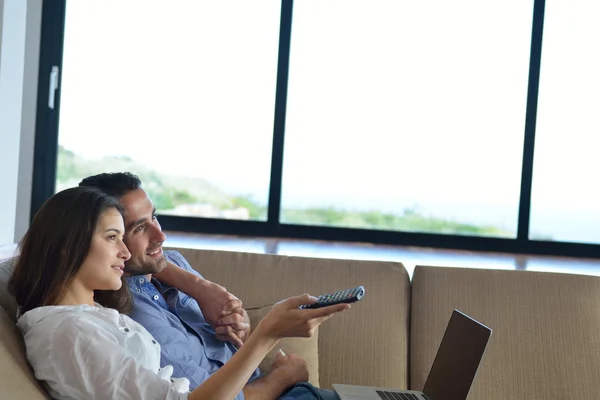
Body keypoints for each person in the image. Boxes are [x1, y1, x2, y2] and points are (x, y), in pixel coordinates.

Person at [9, 186, 349, 400]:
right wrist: (269, 334)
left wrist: (196, 285)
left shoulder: (92, 316)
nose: (125, 253)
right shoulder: (69, 333)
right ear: (69, 247)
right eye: (115, 237)